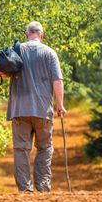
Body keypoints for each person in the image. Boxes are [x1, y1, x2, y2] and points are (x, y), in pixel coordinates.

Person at [6, 21, 66, 193]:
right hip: (42, 110)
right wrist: (60, 105)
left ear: (27, 34)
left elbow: (3, 71)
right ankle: (42, 187)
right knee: (45, 148)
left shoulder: (17, 50)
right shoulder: (50, 53)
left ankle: (25, 189)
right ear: (42, 35)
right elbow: (58, 81)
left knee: (21, 149)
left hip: (19, 110)